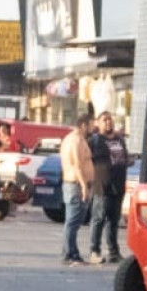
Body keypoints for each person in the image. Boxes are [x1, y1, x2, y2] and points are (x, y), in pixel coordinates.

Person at [89, 111, 130, 264]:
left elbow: (125, 157)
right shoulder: (94, 140)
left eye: (110, 120)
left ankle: (113, 251)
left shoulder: (119, 140)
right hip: (102, 185)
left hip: (118, 185)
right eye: (104, 120)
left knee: (114, 220)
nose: (108, 122)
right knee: (99, 218)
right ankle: (95, 250)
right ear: (97, 123)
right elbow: (87, 159)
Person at [59, 112, 96, 265]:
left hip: (75, 184)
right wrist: (83, 186)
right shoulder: (75, 141)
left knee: (73, 221)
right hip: (75, 184)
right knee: (73, 221)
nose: (93, 127)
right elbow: (77, 164)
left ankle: (71, 252)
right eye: (92, 124)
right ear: (84, 125)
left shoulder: (76, 139)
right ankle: (69, 254)